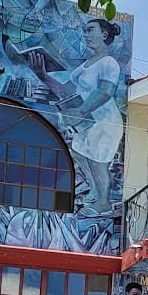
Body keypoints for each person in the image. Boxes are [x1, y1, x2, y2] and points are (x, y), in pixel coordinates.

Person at [24, 17, 123, 215]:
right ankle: (95, 189)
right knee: (78, 150)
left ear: (104, 34)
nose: (85, 34)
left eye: (90, 30)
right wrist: (43, 75)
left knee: (97, 161)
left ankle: (103, 203)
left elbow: (105, 91)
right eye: (85, 31)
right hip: (87, 121)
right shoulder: (86, 65)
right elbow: (65, 91)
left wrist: (81, 111)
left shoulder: (109, 62)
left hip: (104, 120)